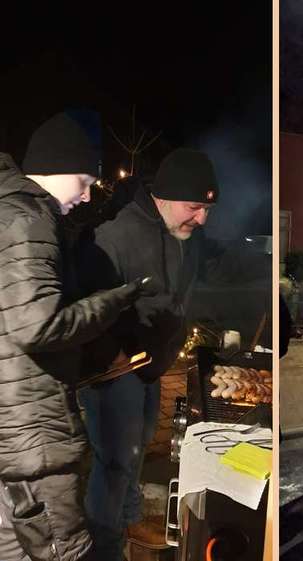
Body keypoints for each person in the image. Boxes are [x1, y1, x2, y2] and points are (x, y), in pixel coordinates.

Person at [0, 113, 152, 561]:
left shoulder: (7, 212)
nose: (86, 195)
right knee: (64, 549)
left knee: (14, 546)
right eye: (83, 180)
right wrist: (115, 300)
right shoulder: (28, 219)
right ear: (54, 169)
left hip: (14, 427)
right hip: (34, 433)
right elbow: (37, 325)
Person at [77, 148, 218, 560]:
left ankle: (127, 524)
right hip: (114, 370)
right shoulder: (115, 235)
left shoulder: (182, 234)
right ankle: (104, 548)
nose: (202, 219)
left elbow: (177, 294)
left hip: (149, 368)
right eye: (195, 207)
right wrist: (113, 355)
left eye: (208, 209)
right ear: (165, 196)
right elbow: (88, 306)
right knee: (115, 463)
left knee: (134, 457)